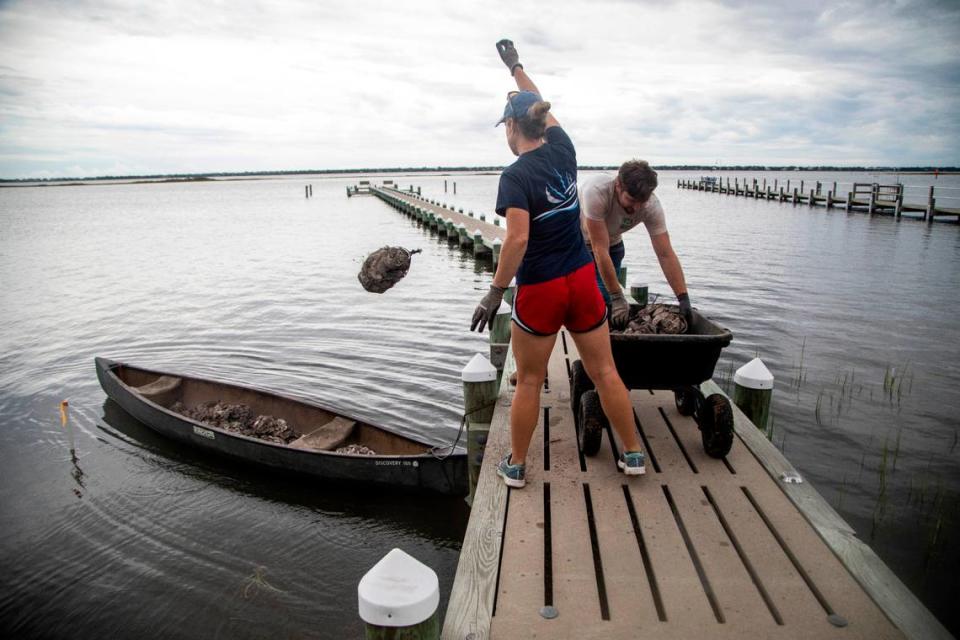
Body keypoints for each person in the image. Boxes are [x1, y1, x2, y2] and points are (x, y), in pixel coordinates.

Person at [470, 39, 646, 488]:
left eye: (505, 127)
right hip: (583, 281)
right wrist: (516, 68)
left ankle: (516, 465)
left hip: (542, 289)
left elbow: (518, 239)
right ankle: (632, 454)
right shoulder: (564, 149)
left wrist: (494, 292)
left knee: (528, 381)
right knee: (606, 370)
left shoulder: (514, 177)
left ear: (512, 126)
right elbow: (541, 104)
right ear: (542, 122)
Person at [579, 163, 693, 330]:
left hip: (613, 243)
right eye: (632, 200)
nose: (637, 207)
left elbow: (665, 253)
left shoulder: (651, 206)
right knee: (594, 297)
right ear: (618, 185)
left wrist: (683, 298)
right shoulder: (596, 191)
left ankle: (609, 338)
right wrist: (618, 296)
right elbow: (599, 249)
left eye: (642, 201)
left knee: (607, 300)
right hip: (578, 242)